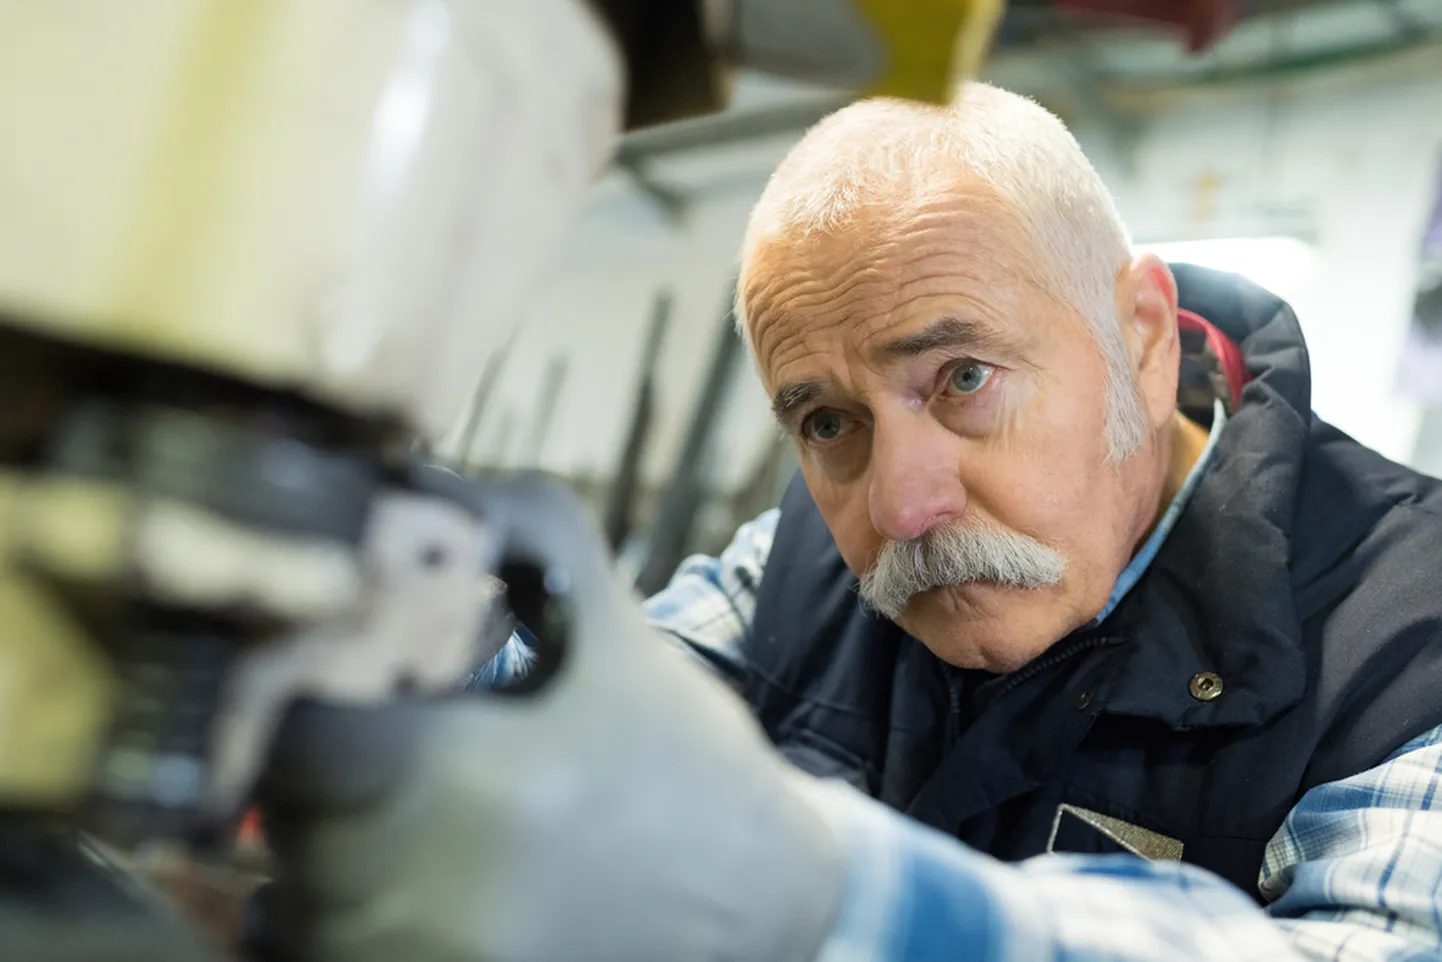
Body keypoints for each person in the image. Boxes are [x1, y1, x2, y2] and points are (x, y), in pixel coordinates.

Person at [270, 84, 1442, 961]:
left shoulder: (1407, 641)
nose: (899, 504)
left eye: (961, 377)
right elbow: (599, 705)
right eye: (826, 421)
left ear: (1140, 338)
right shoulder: (798, 563)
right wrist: (409, 623)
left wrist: (828, 900)